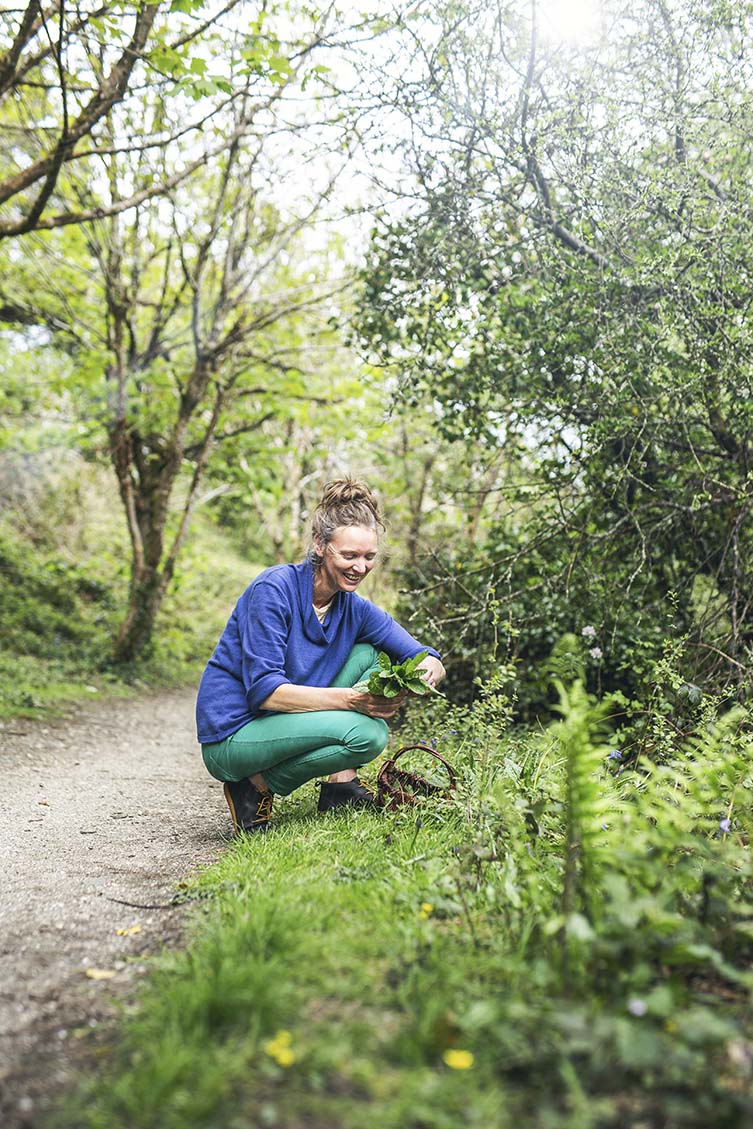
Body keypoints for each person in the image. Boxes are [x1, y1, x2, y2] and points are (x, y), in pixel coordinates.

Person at [196, 478, 445, 834]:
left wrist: (427, 672)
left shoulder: (353, 609)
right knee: (368, 735)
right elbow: (265, 692)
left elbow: (423, 655)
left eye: (369, 557)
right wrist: (354, 701)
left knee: (372, 655)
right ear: (319, 545)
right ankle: (253, 786)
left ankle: (339, 785)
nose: (360, 567)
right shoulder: (274, 589)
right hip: (235, 735)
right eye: (349, 555)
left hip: (284, 721)